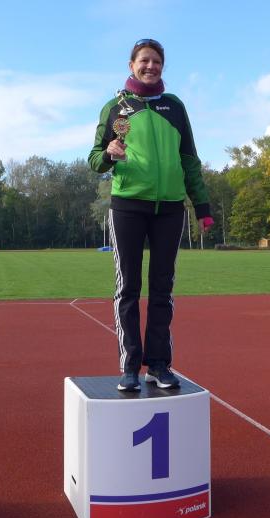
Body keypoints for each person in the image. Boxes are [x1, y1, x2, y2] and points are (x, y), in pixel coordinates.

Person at [88, 38, 213, 391]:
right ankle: (129, 366)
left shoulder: (175, 107)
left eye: (156, 61)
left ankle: (158, 364)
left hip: (170, 208)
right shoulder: (115, 107)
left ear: (162, 66)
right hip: (128, 206)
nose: (150, 66)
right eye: (144, 60)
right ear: (132, 65)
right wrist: (109, 154)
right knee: (128, 287)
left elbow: (189, 159)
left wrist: (202, 207)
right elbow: (95, 159)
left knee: (162, 289)